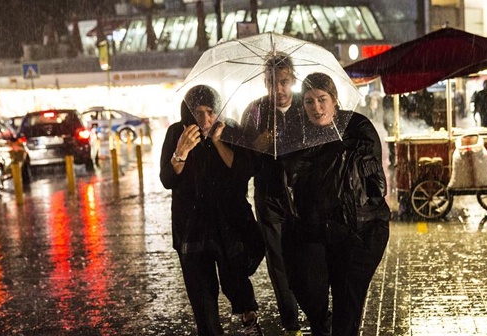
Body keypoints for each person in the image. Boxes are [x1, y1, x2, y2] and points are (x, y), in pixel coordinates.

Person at [281, 72, 390, 336]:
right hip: (319, 230)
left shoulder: (356, 126)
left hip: (361, 229)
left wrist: (325, 151)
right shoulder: (298, 134)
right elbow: (292, 176)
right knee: (309, 293)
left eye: (322, 99)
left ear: (334, 99)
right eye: (308, 102)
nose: (316, 108)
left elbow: (357, 172)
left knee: (346, 305)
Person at [160, 85, 264, 336]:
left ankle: (248, 316)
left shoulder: (231, 131)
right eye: (198, 113)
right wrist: (180, 153)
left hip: (228, 225)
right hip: (191, 229)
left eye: (210, 112)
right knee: (202, 296)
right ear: (188, 113)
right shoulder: (177, 132)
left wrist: (218, 143)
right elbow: (167, 179)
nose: (205, 120)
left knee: (236, 278)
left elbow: (244, 171)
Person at [240, 54, 303, 335]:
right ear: (265, 82)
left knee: (306, 258)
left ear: (293, 80)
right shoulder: (255, 111)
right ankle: (291, 322)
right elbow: (244, 163)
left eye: (284, 82)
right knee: (278, 263)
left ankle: (314, 308)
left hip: (303, 197)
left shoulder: (305, 107)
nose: (279, 89)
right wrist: (259, 145)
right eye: (273, 83)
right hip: (268, 198)